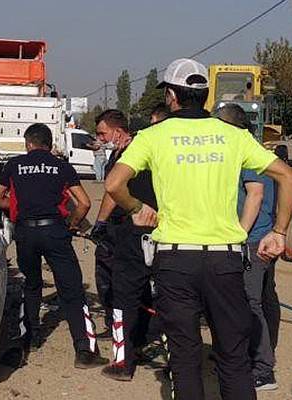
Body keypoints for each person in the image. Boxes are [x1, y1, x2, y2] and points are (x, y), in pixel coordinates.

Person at [104, 58, 292, 400]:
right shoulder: (233, 135)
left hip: (175, 262)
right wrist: (279, 232)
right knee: (234, 358)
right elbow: (289, 176)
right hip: (225, 262)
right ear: (206, 95)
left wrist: (137, 209)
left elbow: (114, 184)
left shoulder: (153, 136)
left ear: (171, 97)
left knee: (184, 358)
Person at [0, 123, 108, 368]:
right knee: (73, 290)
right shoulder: (62, 166)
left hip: (25, 233)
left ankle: (29, 340)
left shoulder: (14, 166)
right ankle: (84, 350)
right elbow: (84, 203)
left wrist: (18, 207)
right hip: (55, 230)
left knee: (31, 285)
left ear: (28, 144)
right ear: (49, 144)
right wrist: (72, 224)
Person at [216, 104, 280, 391]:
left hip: (253, 240)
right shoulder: (256, 150)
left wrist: (239, 236)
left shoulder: (245, 152)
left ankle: (263, 369)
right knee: (263, 299)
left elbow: (255, 195)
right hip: (261, 236)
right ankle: (251, 355)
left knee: (251, 303)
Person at [90, 110, 157, 381]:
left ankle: (123, 361)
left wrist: (100, 223)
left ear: (118, 131)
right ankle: (142, 343)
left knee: (123, 296)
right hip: (154, 231)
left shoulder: (125, 156)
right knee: (151, 294)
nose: (100, 138)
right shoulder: (150, 152)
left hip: (129, 232)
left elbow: (112, 191)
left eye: (102, 133)